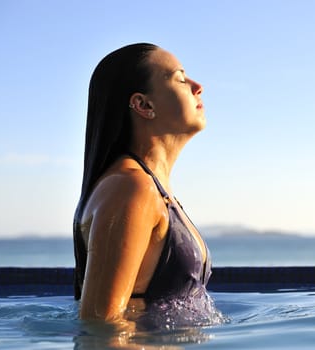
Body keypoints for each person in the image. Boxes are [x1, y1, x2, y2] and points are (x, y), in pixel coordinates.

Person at [73, 43, 213, 323]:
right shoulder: (130, 188)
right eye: (180, 79)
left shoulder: (149, 187)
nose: (198, 86)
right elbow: (103, 325)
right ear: (143, 105)